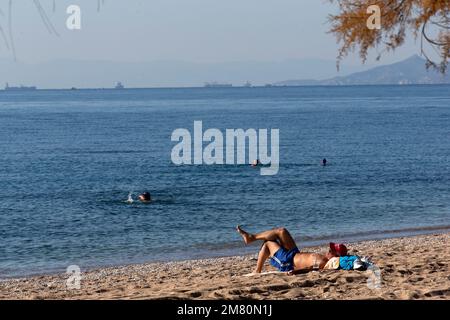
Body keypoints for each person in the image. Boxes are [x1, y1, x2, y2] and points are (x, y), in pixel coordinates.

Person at [236, 226, 347, 275]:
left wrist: (295, 272)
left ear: (335, 256)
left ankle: (257, 270)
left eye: (331, 250)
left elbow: (310, 269)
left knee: (268, 243)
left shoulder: (323, 263)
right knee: (281, 231)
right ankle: (252, 237)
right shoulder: (325, 258)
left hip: (288, 261)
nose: (329, 250)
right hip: (295, 253)